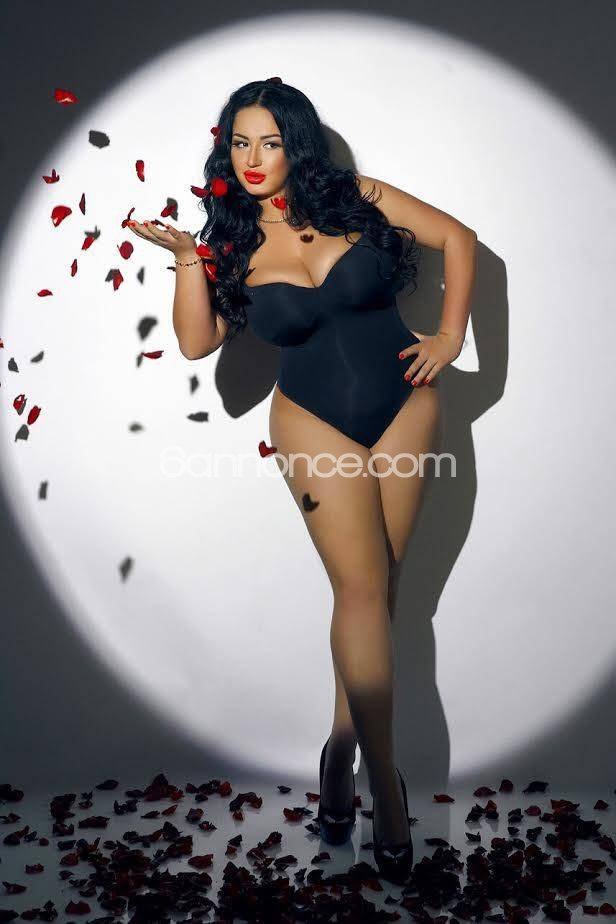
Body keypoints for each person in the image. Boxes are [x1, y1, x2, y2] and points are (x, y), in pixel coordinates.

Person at [127, 77, 476, 884]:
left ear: (297, 145)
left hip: (407, 407)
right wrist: (185, 259)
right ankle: (385, 791)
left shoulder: (357, 197)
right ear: (225, 150)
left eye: (270, 142)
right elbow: (196, 343)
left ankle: (339, 754)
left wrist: (451, 336)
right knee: (360, 592)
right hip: (312, 421)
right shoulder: (227, 242)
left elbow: (459, 239)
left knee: (381, 593)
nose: (253, 158)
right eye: (239, 142)